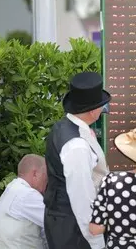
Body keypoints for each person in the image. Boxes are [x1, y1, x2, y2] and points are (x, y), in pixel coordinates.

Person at [43, 72, 111, 249]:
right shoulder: (76, 146)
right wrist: (96, 241)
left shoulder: (64, 126)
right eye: (102, 105)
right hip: (74, 231)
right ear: (92, 110)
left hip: (63, 223)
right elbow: (82, 198)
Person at [0, 154, 48, 249]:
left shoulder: (13, 189)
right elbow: (55, 220)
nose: (47, 181)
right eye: (45, 175)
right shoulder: (26, 194)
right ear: (35, 174)